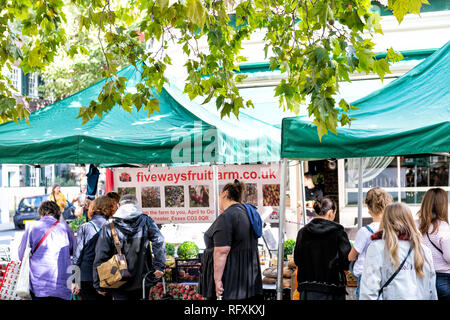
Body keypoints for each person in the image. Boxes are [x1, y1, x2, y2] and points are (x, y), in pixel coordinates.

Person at [199, 180, 263, 300]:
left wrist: (217, 280)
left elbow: (222, 251)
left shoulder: (227, 216)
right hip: (247, 281)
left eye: (219, 196)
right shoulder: (249, 213)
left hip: (230, 283)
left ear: (224, 194)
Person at [93, 194, 165, 300]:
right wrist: (159, 265)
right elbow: (159, 240)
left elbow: (100, 255)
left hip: (117, 279)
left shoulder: (109, 226)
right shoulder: (146, 221)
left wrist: (98, 283)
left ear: (118, 205)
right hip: (143, 278)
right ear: (136, 204)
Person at [360, 202, 437, 300]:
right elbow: (431, 289)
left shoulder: (377, 248)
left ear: (385, 220)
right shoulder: (424, 250)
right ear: (409, 220)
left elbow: (369, 291)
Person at [294, 197, 351, 300]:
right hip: (333, 291)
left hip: (307, 290)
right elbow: (346, 263)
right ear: (330, 213)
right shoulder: (339, 233)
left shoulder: (303, 232)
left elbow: (297, 260)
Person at [18, 200, 76, 300]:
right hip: (61, 285)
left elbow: (21, 255)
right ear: (57, 213)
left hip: (38, 285)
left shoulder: (32, 227)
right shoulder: (65, 228)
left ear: (41, 213)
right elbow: (74, 251)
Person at [348, 187, 393, 299]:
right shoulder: (393, 229)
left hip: (366, 278)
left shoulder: (365, 231)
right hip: (388, 275)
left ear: (368, 208)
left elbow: (351, 256)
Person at [72, 196, 118, 300]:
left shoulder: (85, 227)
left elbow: (77, 257)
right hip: (108, 275)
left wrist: (74, 280)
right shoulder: (114, 227)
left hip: (86, 276)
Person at [417, 188, 450, 300]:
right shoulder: (443, 227)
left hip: (421, 277)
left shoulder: (415, 225)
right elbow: (448, 257)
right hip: (442, 278)